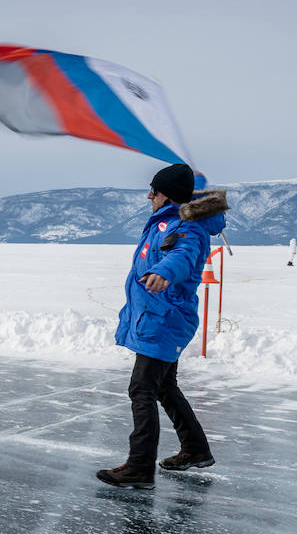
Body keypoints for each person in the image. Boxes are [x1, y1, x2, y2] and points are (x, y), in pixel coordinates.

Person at [97, 163, 229, 490]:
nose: (148, 195)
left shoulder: (186, 226)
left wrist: (166, 272)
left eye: (152, 191)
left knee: (141, 387)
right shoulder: (167, 221)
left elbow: (183, 255)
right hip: (157, 316)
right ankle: (196, 449)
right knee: (163, 387)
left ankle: (140, 467)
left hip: (164, 319)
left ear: (164, 194)